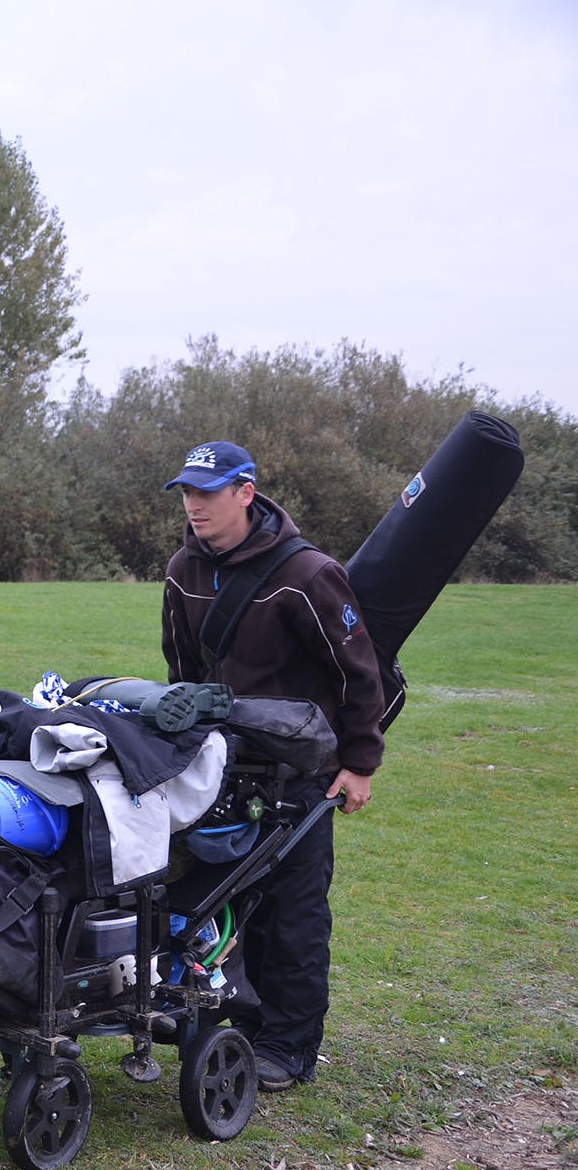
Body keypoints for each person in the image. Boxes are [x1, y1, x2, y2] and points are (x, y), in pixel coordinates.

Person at [159, 440, 384, 1093]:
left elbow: (360, 677)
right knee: (221, 901)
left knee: (293, 914)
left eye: (207, 493)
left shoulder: (309, 574)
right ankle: (234, 1021)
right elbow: (183, 673)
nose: (194, 506)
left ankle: (288, 1045)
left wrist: (360, 764)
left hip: (303, 771)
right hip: (221, 766)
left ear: (246, 493)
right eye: (187, 493)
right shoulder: (182, 570)